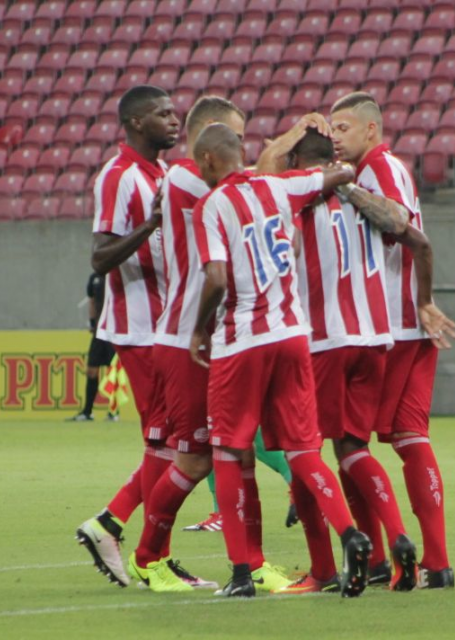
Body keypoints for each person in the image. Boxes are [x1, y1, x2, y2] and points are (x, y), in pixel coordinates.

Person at [190, 123, 371, 598]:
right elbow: (341, 173)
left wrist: (197, 330)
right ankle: (350, 533)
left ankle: (241, 574)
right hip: (293, 336)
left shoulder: (211, 206)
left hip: (242, 340)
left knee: (229, 451)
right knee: (303, 451)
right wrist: (335, 167)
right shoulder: (279, 186)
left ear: (208, 161)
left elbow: (215, 277)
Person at [124, 95, 288, 593]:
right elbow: (259, 186)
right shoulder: (184, 179)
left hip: (219, 339)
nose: (240, 150)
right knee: (193, 459)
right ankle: (148, 557)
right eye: (234, 138)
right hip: (183, 339)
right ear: (210, 139)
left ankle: (254, 564)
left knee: (237, 454)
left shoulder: (215, 185)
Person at [254, 128, 427, 594]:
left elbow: (260, 176)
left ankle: (324, 568)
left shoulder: (294, 197)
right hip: (375, 339)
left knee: (300, 451)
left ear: (296, 164)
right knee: (354, 450)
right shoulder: (364, 198)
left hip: (323, 341)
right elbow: (408, 236)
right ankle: (397, 537)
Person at [75, 85, 209, 591]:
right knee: (171, 445)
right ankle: (152, 558)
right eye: (162, 114)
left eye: (175, 113)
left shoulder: (162, 173)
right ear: (134, 123)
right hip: (141, 327)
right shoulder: (118, 176)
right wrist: (152, 223)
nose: (175, 121)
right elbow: (100, 256)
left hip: (166, 327)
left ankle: (112, 526)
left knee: (171, 445)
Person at [330, 92, 455, 589]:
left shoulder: (377, 169)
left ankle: (378, 557)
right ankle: (437, 564)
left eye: (344, 128)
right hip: (409, 327)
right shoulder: (381, 169)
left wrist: (422, 300)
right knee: (410, 440)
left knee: (349, 442)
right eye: (333, 129)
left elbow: (404, 230)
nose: (336, 137)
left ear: (370, 131)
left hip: (389, 329)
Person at [67, 272, 117, 422]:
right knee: (91, 370)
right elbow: (92, 301)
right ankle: (87, 412)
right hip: (98, 331)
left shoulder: (116, 273)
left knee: (113, 373)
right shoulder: (94, 277)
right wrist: (92, 322)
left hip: (113, 329)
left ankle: (113, 412)